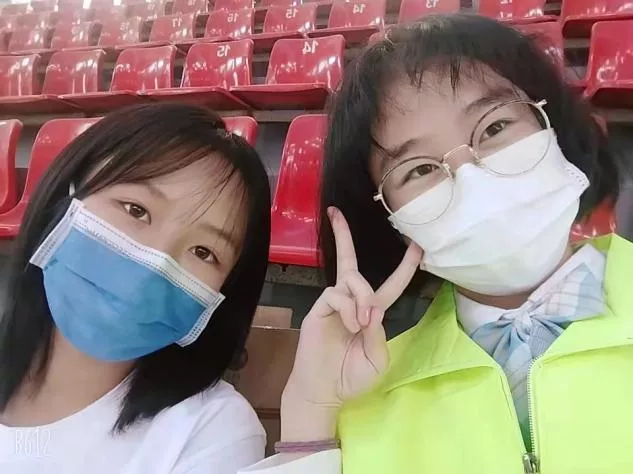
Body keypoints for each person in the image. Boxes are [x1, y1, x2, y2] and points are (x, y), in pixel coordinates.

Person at [240, 14, 630, 474]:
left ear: (554, 129)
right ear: (394, 222)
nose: (473, 180)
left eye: (495, 128)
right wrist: (311, 414)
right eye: (420, 170)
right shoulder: (363, 391)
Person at [0, 104, 271, 473]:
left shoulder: (212, 430)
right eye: (135, 210)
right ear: (66, 197)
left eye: (203, 252)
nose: (154, 262)